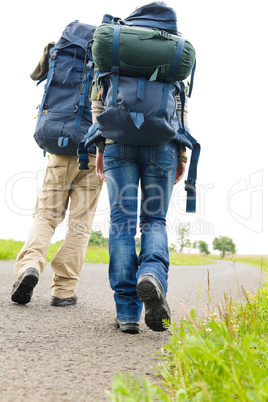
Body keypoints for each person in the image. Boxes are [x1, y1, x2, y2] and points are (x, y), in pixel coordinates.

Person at [90, 74, 189, 334]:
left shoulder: (112, 46)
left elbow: (98, 105)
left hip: (117, 143)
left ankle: (127, 313)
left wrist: (99, 148)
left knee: (121, 224)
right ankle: (152, 274)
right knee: (154, 220)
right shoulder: (171, 53)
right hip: (162, 144)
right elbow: (180, 109)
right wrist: (181, 154)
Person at [11, 43, 103, 307]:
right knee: (80, 224)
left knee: (46, 216)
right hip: (97, 153)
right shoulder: (112, 57)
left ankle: (30, 266)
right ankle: (63, 291)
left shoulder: (64, 50)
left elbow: (36, 75)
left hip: (61, 148)